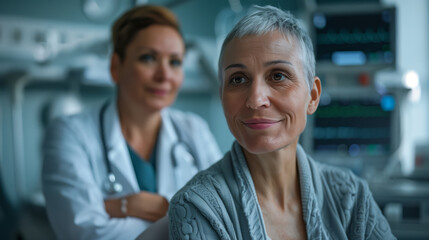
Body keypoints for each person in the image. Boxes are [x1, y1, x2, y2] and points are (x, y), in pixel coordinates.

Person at [168, 5, 396, 240]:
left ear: (313, 96)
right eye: (238, 79)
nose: (256, 100)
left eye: (278, 76)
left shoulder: (351, 197)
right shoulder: (197, 206)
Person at [42, 5, 222, 240]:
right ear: (116, 67)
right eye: (148, 58)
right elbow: (87, 233)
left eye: (175, 62)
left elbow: (223, 217)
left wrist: (128, 206)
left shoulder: (194, 129)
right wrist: (187, 217)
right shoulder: (70, 133)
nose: (164, 75)